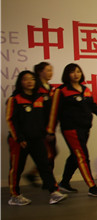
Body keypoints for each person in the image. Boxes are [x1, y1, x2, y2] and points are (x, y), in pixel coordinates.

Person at [47, 63, 97, 196]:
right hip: (71, 129)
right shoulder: (61, 91)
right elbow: (54, 111)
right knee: (82, 156)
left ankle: (64, 183)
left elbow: (93, 107)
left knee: (75, 156)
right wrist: (50, 130)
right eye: (72, 72)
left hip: (85, 128)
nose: (76, 74)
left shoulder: (85, 89)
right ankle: (92, 186)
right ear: (67, 74)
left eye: (78, 71)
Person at [6, 70, 67, 206]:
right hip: (19, 141)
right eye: (26, 79)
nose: (29, 82)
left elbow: (48, 117)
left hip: (38, 139)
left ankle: (54, 192)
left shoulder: (41, 98)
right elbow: (10, 120)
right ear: (20, 82)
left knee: (45, 166)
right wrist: (19, 138)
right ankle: (14, 195)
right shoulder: (14, 99)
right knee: (16, 169)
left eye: (32, 79)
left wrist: (48, 132)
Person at [25, 61, 57, 186]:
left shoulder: (51, 88)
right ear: (39, 72)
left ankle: (44, 180)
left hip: (51, 127)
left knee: (51, 154)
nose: (50, 73)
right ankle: (47, 182)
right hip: (40, 128)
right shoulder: (36, 89)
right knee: (47, 154)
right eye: (47, 70)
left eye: (51, 70)